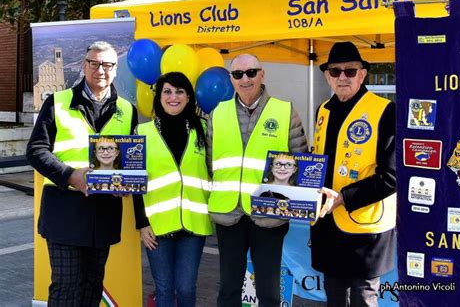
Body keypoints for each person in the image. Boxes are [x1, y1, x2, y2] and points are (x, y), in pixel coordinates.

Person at [26, 41, 138, 306]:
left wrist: (128, 179)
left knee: (91, 287)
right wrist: (71, 175)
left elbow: (131, 159)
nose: (101, 69)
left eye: (107, 64)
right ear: (84, 65)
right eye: (94, 63)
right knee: (66, 289)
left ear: (115, 68)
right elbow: (36, 150)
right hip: (65, 214)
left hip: (103, 216)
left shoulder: (128, 109)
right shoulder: (58, 102)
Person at [206, 53, 308, 306]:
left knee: (269, 293)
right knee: (228, 290)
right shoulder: (217, 114)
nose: (245, 79)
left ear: (262, 74)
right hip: (229, 214)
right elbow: (210, 162)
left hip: (269, 216)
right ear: (231, 79)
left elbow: (302, 162)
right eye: (238, 74)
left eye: (251, 72)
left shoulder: (285, 111)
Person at [311, 41, 396, 306]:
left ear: (363, 74)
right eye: (335, 72)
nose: (342, 77)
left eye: (350, 71)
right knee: (335, 299)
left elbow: (392, 177)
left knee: (362, 299)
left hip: (365, 229)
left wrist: (343, 197)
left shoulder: (384, 110)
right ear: (327, 76)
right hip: (328, 228)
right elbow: (318, 164)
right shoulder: (323, 110)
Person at [133, 72, 213, 307]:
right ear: (159, 97)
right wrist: (141, 223)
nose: (173, 97)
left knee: (186, 288)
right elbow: (135, 182)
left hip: (194, 223)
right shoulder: (142, 132)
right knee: (164, 289)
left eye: (179, 91)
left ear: (188, 97)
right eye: (167, 91)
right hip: (157, 227)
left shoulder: (205, 129)